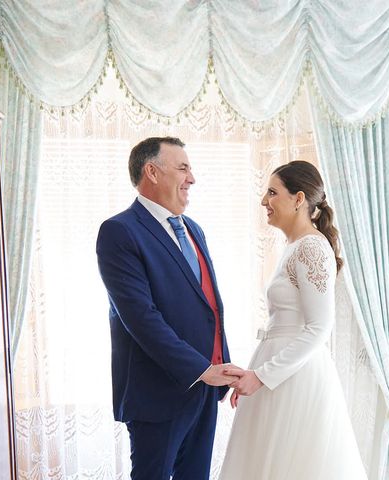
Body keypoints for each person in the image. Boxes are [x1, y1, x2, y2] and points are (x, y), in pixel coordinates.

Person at [96, 136, 240, 480]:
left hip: (205, 390)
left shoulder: (194, 229)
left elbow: (206, 307)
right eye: (183, 168)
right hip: (157, 395)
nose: (192, 178)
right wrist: (200, 369)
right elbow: (141, 319)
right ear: (152, 172)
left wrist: (216, 368)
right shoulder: (119, 232)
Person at [219, 161, 367, 480]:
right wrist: (255, 375)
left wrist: (261, 376)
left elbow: (319, 328)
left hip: (294, 378)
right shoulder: (295, 247)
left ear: (299, 199)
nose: (263, 201)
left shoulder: (311, 247)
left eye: (272, 192)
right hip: (277, 372)